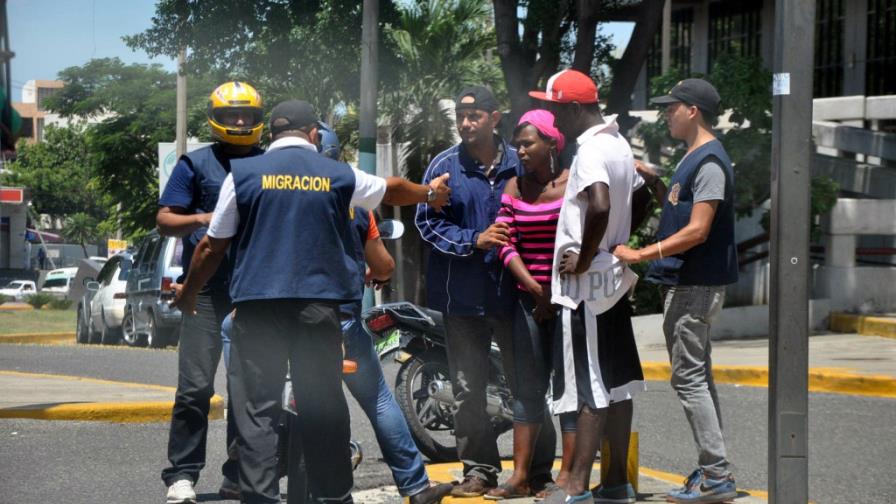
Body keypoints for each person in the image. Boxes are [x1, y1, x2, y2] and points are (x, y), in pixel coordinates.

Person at [171, 99, 450, 504]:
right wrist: (430, 193)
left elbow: (211, 247)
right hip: (318, 311)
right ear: (313, 135)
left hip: (258, 310)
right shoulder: (337, 173)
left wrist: (191, 292)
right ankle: (333, 496)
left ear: (270, 134)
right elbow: (390, 188)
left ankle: (260, 497)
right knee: (323, 405)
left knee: (256, 413)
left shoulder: (244, 174)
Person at [415, 86, 557, 498]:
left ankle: (538, 471)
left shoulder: (522, 160)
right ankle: (479, 470)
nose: (465, 123)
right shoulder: (443, 166)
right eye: (461, 115)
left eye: (474, 116)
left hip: (515, 296)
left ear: (496, 118)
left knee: (527, 385)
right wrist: (473, 240)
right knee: (466, 388)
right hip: (461, 299)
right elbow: (427, 224)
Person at [612, 78, 738, 504]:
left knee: (689, 380)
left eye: (672, 107)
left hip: (694, 285)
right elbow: (682, 208)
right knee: (697, 377)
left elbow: (699, 229)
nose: (666, 113)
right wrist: (656, 180)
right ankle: (712, 470)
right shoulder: (692, 159)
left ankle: (717, 476)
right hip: (688, 284)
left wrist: (640, 253)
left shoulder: (711, 163)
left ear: (693, 111)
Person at [530, 69, 648, 504]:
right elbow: (644, 192)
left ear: (575, 108)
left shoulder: (591, 151)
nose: (552, 119)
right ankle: (615, 481)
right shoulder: (617, 144)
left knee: (589, 386)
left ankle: (576, 484)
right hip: (611, 283)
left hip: (586, 289)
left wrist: (582, 257)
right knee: (615, 386)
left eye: (555, 109)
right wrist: (617, 241)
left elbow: (598, 205)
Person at [320, 121, 453, 504]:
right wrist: (368, 273)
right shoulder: (357, 208)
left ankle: (245, 473)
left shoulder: (280, 198)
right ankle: (415, 485)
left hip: (282, 321)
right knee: (378, 399)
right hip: (342, 319)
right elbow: (384, 268)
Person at [158, 81, 264, 503]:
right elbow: (165, 219)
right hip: (202, 291)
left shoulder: (270, 163)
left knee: (249, 390)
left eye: (247, 115)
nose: (239, 122)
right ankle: (181, 475)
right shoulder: (195, 164)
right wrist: (209, 215)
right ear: (215, 118)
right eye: (231, 115)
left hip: (253, 293)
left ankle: (238, 474)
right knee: (195, 388)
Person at [484, 109, 577, 500]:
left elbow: (583, 237)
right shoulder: (513, 188)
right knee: (528, 388)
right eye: (518, 144)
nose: (520, 150)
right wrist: (535, 291)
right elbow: (505, 245)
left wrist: (553, 294)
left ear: (551, 143)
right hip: (529, 300)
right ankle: (520, 477)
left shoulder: (574, 183)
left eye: (528, 143)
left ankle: (566, 477)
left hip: (569, 300)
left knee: (569, 389)